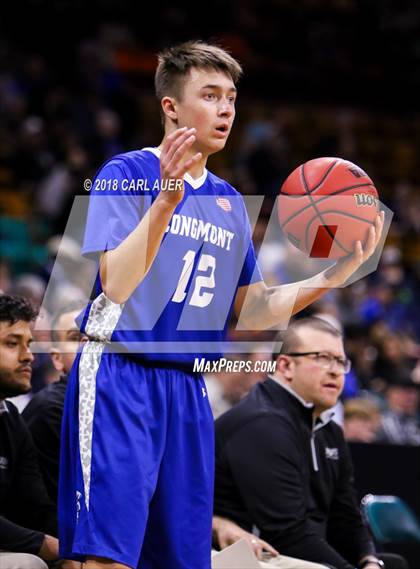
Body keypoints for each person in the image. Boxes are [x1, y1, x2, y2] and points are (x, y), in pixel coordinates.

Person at [58, 41, 384, 569]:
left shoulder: (230, 202)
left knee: (183, 560)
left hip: (188, 389)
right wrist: (164, 203)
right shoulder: (126, 173)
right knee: (108, 558)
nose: (226, 109)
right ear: (171, 107)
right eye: (210, 96)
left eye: (231, 97)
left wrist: (335, 275)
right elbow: (114, 284)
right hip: (120, 373)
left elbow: (254, 312)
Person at [214, 317, 407, 569]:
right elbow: (287, 534)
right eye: (322, 358)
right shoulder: (260, 423)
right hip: (246, 555)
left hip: (296, 553)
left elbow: (346, 517)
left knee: (392, 564)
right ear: (285, 366)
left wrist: (369, 560)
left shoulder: (329, 430)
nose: (335, 370)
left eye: (340, 361)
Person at [0, 294, 58, 569]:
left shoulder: (11, 418)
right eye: (12, 343)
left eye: (29, 344)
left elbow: (37, 507)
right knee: (28, 564)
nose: (29, 356)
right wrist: (44, 545)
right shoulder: (47, 409)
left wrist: (83, 547)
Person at [23, 302, 87, 503]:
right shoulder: (53, 408)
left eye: (96, 337)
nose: (88, 345)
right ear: (57, 359)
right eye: (76, 338)